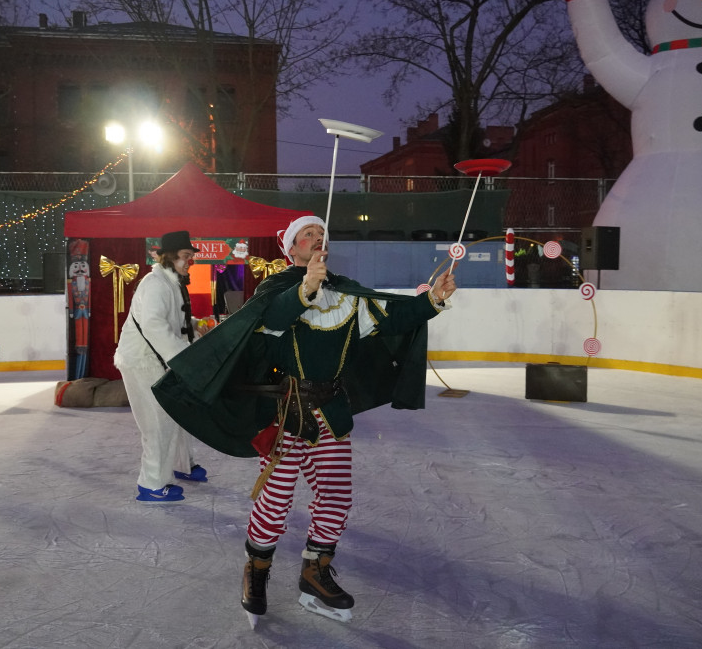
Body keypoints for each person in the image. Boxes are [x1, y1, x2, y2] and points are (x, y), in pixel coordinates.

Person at [152, 215, 456, 623]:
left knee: (336, 495)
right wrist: (306, 288)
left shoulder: (346, 292)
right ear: (292, 248)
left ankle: (315, 571)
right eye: (307, 234)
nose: (317, 238)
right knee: (275, 499)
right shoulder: (278, 288)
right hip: (284, 413)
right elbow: (273, 319)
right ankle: (256, 570)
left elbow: (391, 319)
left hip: (330, 412)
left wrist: (433, 300)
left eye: (321, 234)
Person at [115, 230, 211, 503]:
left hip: (158, 360)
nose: (190, 261)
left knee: (175, 415)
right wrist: (183, 359)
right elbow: (154, 325)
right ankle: (152, 484)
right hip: (143, 361)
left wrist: (196, 325)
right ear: (169, 256)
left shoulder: (172, 283)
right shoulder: (155, 284)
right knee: (157, 423)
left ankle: (181, 465)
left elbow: (173, 321)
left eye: (191, 256)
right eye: (186, 256)